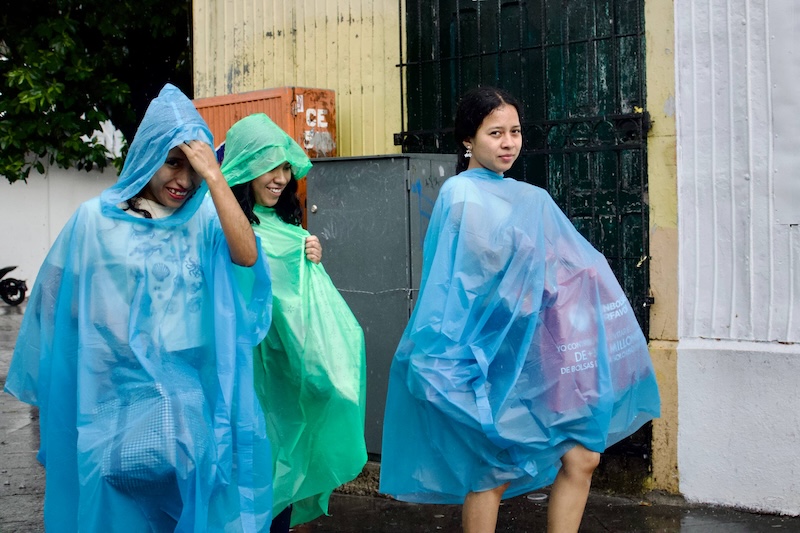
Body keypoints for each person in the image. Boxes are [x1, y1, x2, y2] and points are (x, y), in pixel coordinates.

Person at [378, 86, 661, 532]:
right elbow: (465, 282)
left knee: (583, 456)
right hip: (485, 352)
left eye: (515, 131)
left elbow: (560, 266)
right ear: (468, 139)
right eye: (495, 133)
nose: (508, 143)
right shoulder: (461, 194)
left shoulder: (530, 198)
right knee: (493, 469)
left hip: (537, 350)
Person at [3, 84, 274, 531]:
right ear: (148, 154)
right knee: (114, 502)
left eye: (193, 167)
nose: (183, 180)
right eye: (172, 162)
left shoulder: (205, 219)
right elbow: (54, 298)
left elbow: (246, 255)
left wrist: (215, 177)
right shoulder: (96, 219)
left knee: (192, 497)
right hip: (115, 392)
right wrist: (105, 333)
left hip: (188, 392)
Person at [220, 113, 367, 531]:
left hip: (284, 372)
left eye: (286, 167)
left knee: (282, 467)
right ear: (244, 166)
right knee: (247, 477)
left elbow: (306, 310)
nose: (281, 178)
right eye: (270, 166)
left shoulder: (288, 227)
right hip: (243, 375)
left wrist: (311, 259)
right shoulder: (223, 223)